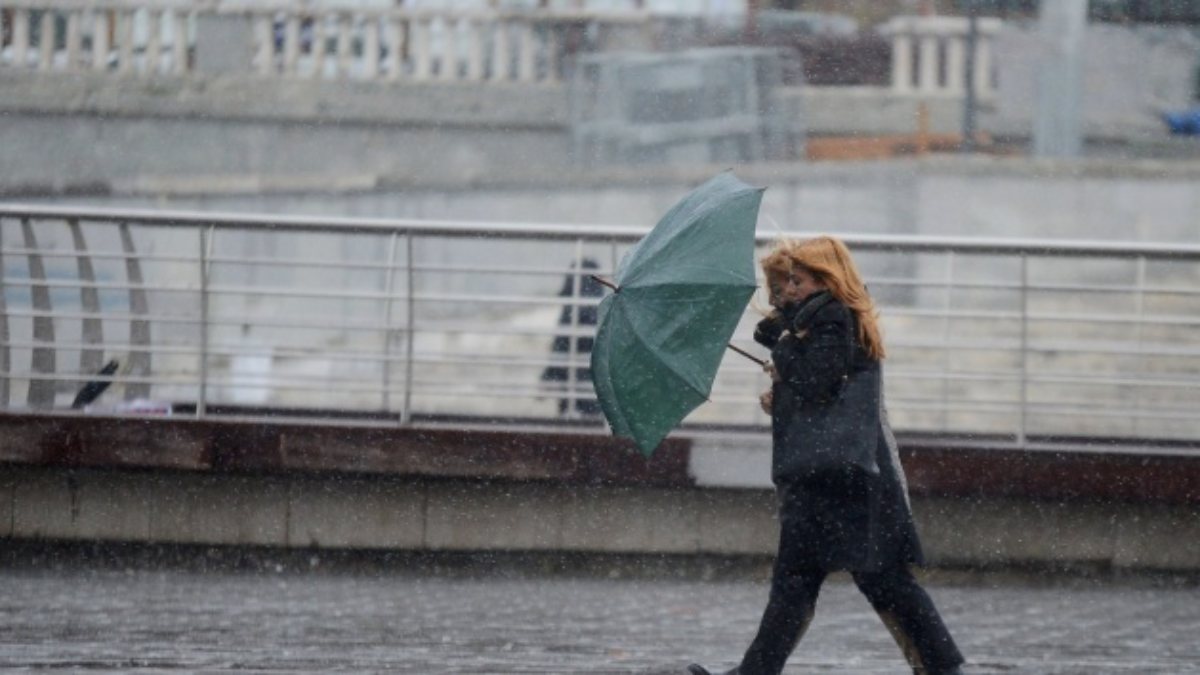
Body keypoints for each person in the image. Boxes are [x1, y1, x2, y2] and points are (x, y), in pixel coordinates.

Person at [688, 236, 964, 675]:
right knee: (811, 583)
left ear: (825, 280)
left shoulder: (834, 319)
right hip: (834, 476)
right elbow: (825, 390)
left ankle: (942, 668)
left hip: (841, 479)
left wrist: (783, 358)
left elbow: (818, 380)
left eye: (797, 281)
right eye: (786, 282)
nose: (788, 290)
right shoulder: (822, 322)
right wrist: (782, 388)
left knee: (874, 581)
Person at [540, 258, 603, 417]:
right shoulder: (601, 310)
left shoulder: (571, 311)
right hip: (598, 394)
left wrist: (547, 378)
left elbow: (561, 349)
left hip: (574, 394)